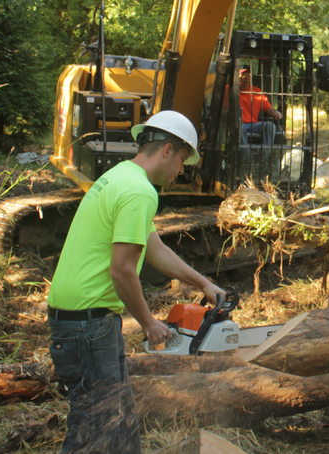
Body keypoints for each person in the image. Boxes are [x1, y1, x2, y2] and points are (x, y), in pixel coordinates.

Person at [46, 110, 225, 453]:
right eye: (183, 161)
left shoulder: (120, 177)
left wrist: (203, 283)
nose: (181, 172)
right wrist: (149, 323)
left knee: (118, 422)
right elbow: (123, 270)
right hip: (87, 324)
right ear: (168, 150)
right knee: (94, 429)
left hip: (83, 319)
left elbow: (154, 247)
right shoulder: (140, 192)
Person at [237, 66, 282, 146]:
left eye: (248, 75)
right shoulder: (229, 90)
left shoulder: (257, 91)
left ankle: (265, 155)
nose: (246, 78)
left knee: (270, 126)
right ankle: (245, 155)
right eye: (243, 75)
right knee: (239, 127)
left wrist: (276, 113)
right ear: (237, 77)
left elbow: (268, 108)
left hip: (253, 125)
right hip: (238, 124)